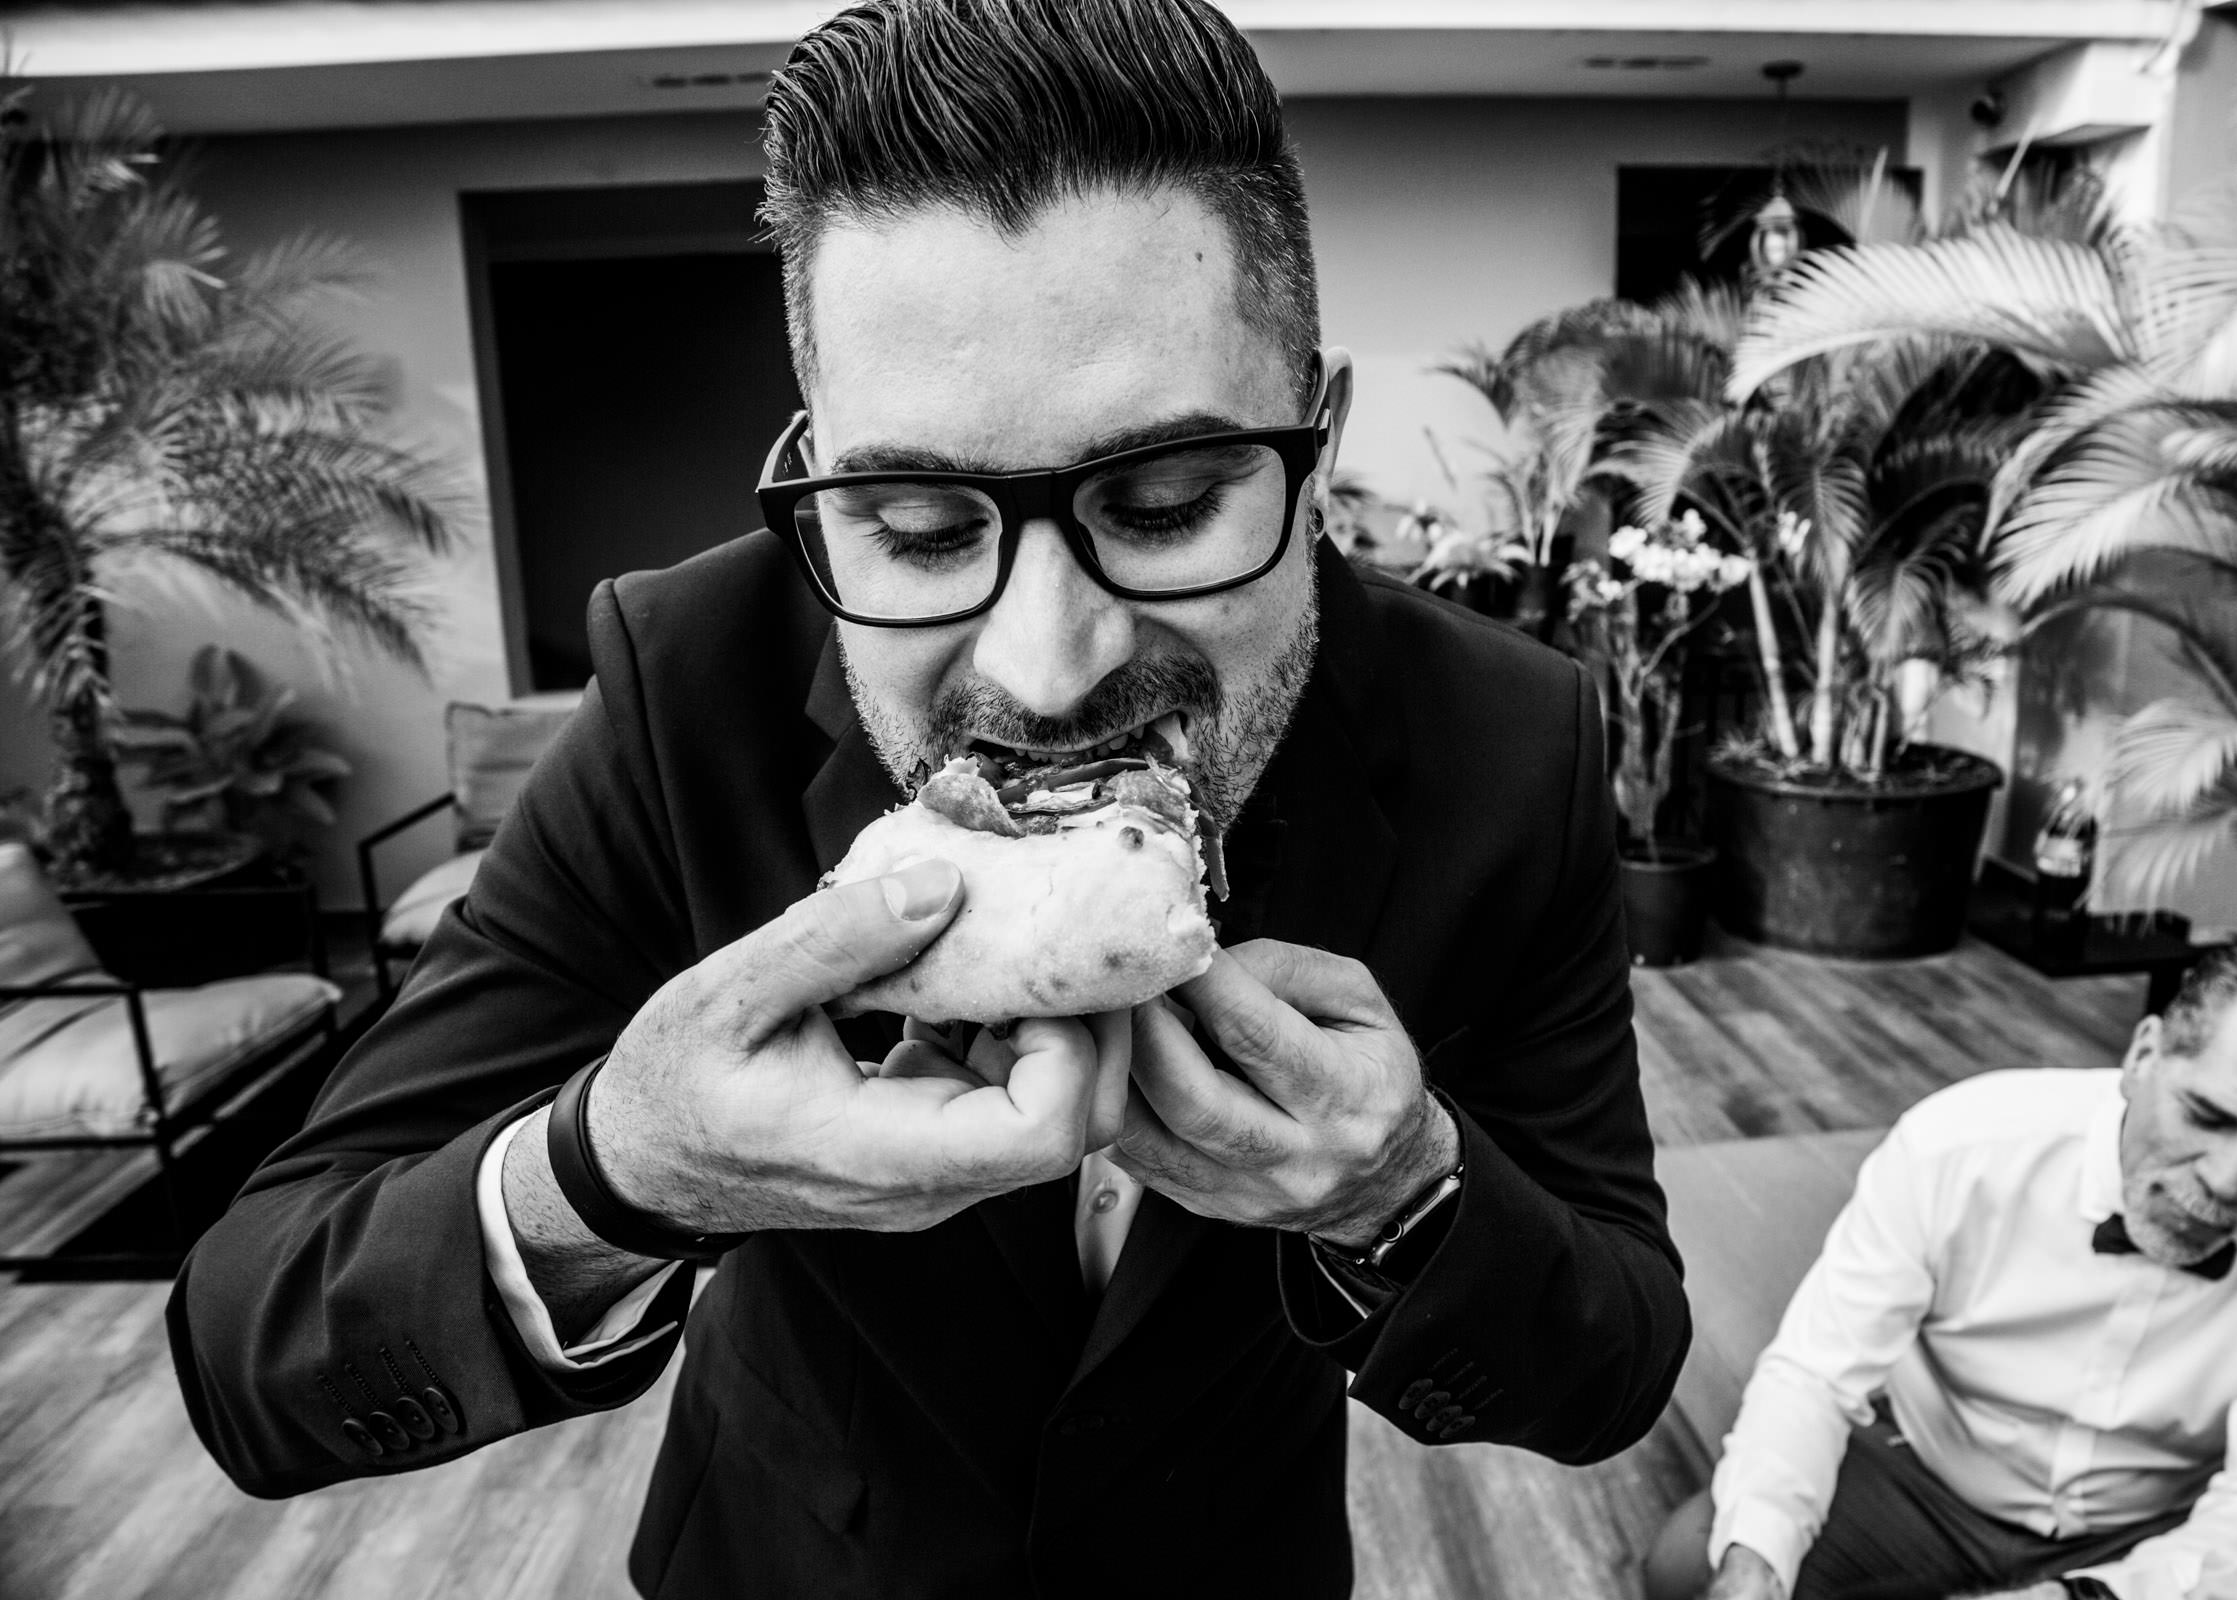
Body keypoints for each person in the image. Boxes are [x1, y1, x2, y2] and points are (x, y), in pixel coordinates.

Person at [165, 3, 1691, 1596]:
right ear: (822, 469)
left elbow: (1617, 1362)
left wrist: (1400, 1190)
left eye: (1166, 504)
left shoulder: (1512, 741)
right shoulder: (686, 687)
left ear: (1319, 441)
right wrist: (627, 1171)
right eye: (914, 526)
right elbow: (256, 1342)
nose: (1042, 671)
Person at [1644, 941, 2237, 1600]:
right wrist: (1756, 1565)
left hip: (2156, 1522)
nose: (2231, 1183)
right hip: (1932, 1475)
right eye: (2208, 1115)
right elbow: (1814, 1373)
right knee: (1690, 1568)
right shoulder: (1957, 1145)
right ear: (2142, 1055)